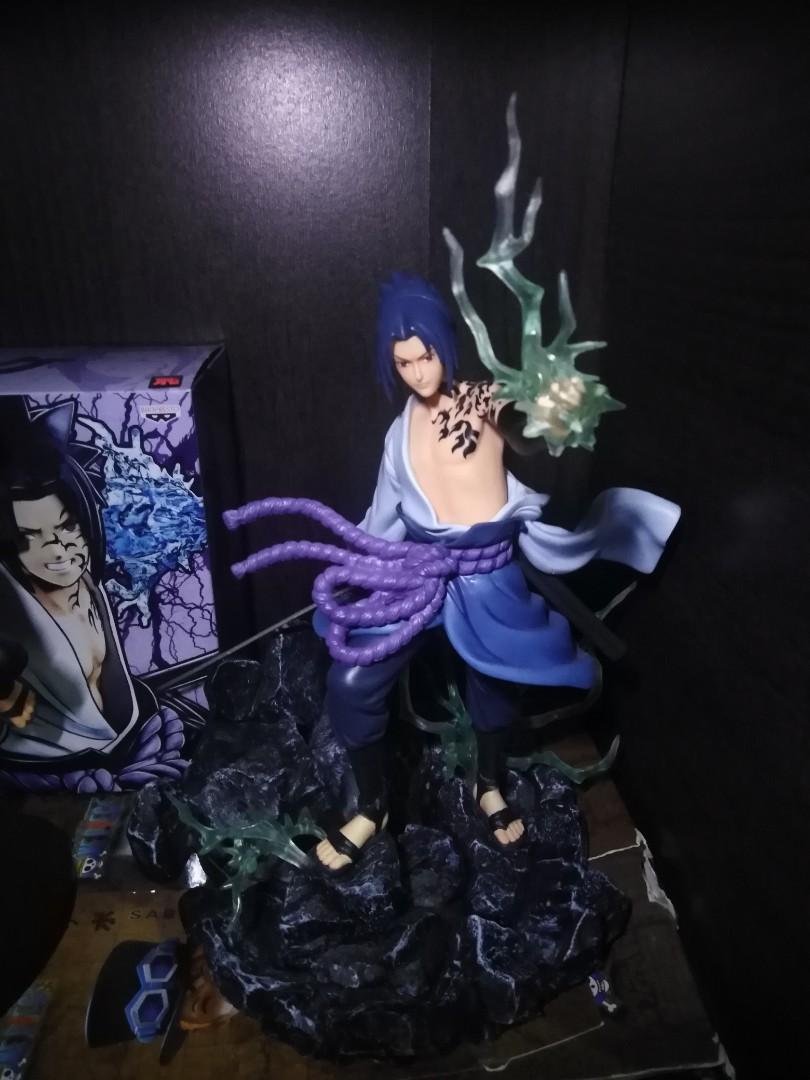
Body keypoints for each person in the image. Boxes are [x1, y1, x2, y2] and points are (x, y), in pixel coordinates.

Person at [294, 273, 680, 870]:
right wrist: (356, 565)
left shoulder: (481, 400)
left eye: (425, 356)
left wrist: (550, 408)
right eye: (403, 363)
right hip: (420, 572)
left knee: (496, 685)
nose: (418, 373)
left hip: (489, 575)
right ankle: (372, 806)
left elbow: (524, 431)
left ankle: (489, 783)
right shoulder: (398, 434)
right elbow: (383, 517)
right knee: (352, 681)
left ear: (445, 346)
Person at [0, 398, 158, 780]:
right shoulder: (12, 605)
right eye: (29, 537)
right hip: (42, 770)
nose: (57, 550)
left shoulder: (88, 584)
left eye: (67, 526)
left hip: (122, 753)